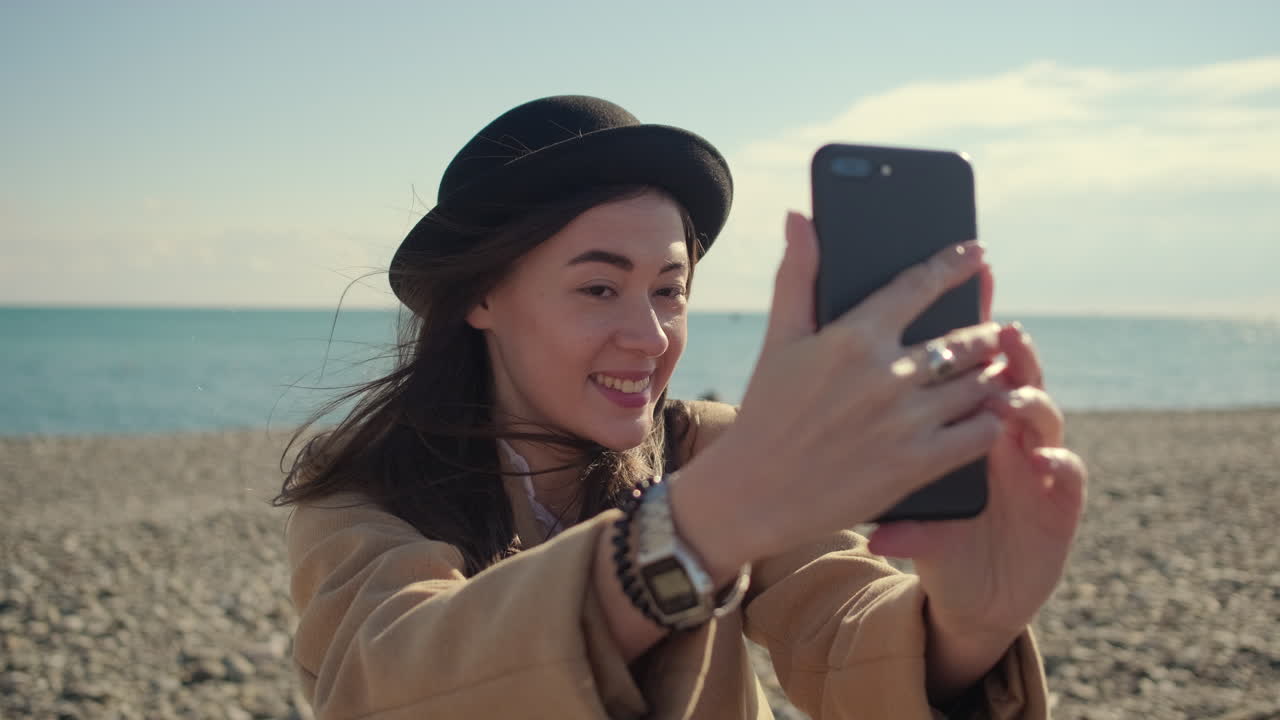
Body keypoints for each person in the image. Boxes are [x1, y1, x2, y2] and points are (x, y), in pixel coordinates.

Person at [275, 95, 1086, 719]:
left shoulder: (705, 452)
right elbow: (388, 682)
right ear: (480, 296)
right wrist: (695, 532)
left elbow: (840, 624)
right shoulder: (365, 494)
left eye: (670, 291)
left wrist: (967, 628)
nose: (650, 335)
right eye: (600, 288)